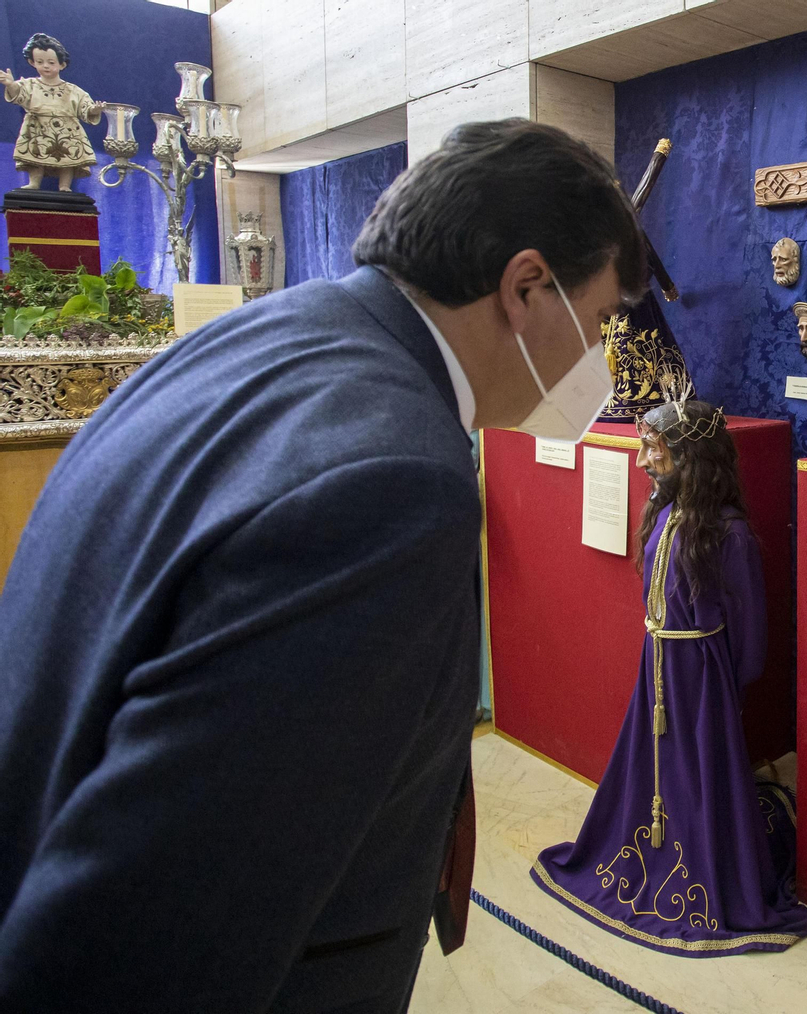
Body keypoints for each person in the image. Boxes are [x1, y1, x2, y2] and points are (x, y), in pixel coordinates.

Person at [0, 120, 645, 1012]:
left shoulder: (253, 342)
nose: (601, 360)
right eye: (604, 319)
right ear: (527, 288)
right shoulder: (392, 486)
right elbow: (159, 938)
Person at [533, 393, 807, 956]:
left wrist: (726, 685)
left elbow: (750, 630)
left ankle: (702, 864)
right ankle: (649, 851)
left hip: (701, 674)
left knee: (700, 768)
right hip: (658, 663)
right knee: (653, 764)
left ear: (690, 456)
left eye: (653, 448)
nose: (642, 460)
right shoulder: (663, 514)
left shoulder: (729, 533)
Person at [2, 33, 104, 191]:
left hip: (67, 130)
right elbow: (18, 95)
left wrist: (93, 109)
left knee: (68, 157)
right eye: (40, 62)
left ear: (62, 64)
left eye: (51, 62)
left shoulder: (72, 90)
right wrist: (10, 85)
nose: (46, 66)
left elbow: (84, 106)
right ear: (32, 62)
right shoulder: (30, 84)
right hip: (37, 127)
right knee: (35, 156)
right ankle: (34, 183)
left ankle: (64, 185)